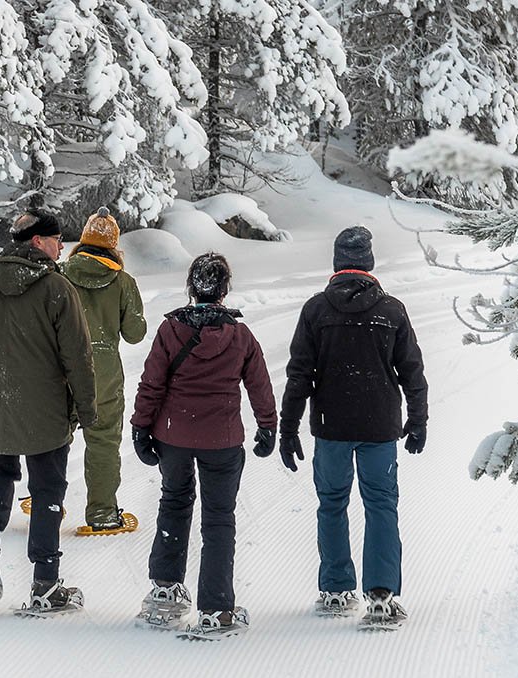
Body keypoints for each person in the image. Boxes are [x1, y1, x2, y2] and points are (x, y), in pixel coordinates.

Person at [0, 209, 97, 618]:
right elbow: (78, 357)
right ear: (37, 242)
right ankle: (46, 584)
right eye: (55, 239)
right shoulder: (56, 288)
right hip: (47, 409)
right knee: (47, 490)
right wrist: (87, 407)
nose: (61, 246)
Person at [278, 226, 428, 627]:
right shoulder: (392, 310)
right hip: (380, 426)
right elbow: (412, 371)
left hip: (331, 426)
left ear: (336, 263)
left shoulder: (316, 310)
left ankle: (335, 589)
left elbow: (299, 375)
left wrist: (288, 427)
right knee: (381, 504)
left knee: (332, 504)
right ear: (369, 263)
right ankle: (381, 595)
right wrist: (417, 419)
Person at [130, 252, 277, 637]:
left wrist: (141, 427)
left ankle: (164, 591)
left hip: (173, 436)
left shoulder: (170, 331)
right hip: (222, 441)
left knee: (174, 504)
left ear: (192, 287)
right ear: (224, 289)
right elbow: (259, 385)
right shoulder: (240, 335)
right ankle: (215, 607)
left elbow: (152, 383)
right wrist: (267, 426)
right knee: (218, 518)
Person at [59, 206, 147, 533]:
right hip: (104, 377)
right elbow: (135, 334)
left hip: (62, 370)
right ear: (113, 245)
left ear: (82, 241)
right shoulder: (123, 282)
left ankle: (44, 503)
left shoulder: (60, 275)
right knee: (104, 443)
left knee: (53, 438)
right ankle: (103, 515)